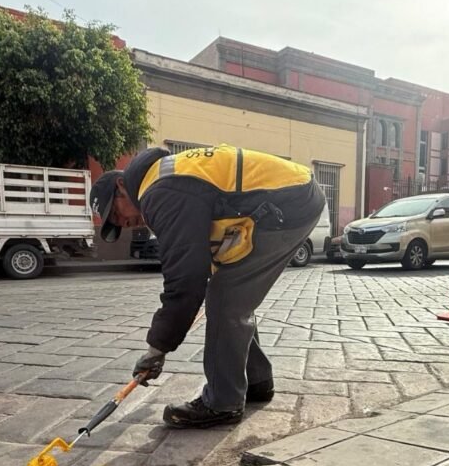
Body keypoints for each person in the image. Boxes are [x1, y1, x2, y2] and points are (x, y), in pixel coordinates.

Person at [89, 144, 324, 428]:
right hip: (291, 197)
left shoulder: (160, 193)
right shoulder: (164, 179)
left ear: (121, 186)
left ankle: (222, 402)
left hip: (287, 204)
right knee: (232, 294)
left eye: (116, 213)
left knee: (225, 299)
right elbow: (203, 252)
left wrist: (157, 349)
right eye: (116, 224)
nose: (124, 223)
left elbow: (185, 282)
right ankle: (257, 382)